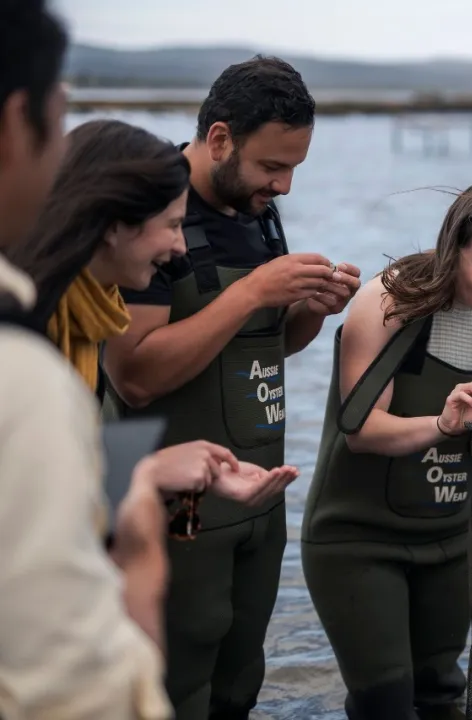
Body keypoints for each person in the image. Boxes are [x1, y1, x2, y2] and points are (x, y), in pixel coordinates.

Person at [0, 4, 291, 719]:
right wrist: (140, 565)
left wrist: (154, 469)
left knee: (236, 669)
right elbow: (61, 667)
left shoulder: (67, 322)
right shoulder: (27, 366)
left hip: (222, 499)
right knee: (185, 667)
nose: (178, 247)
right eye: (165, 227)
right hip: (157, 556)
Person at [101, 56, 361, 720]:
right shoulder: (148, 213)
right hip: (168, 502)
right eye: (274, 167)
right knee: (171, 685)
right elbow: (133, 377)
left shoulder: (259, 211)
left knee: (240, 678)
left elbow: (265, 348)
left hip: (256, 495)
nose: (286, 185)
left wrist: (310, 307)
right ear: (219, 140)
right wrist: (254, 291)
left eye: (296, 167)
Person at [301, 178, 472, 719]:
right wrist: (445, 422)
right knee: (385, 704)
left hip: (451, 544)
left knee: (439, 698)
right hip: (357, 539)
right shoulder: (389, 301)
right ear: (452, 250)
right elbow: (361, 432)